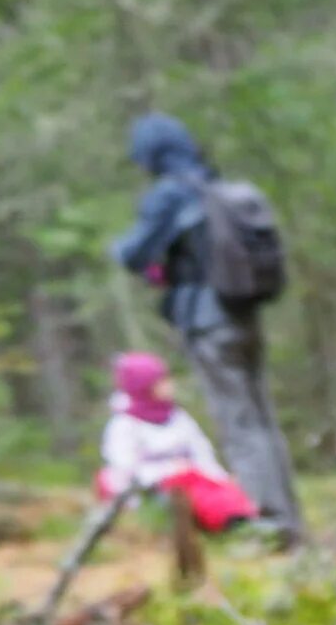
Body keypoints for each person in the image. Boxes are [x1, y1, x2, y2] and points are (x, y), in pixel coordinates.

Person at [112, 112, 303, 543]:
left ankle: (271, 528)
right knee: (261, 421)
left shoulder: (169, 195)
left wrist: (123, 249)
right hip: (243, 314)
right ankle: (290, 522)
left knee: (240, 426)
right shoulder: (215, 188)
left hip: (207, 321)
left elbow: (134, 254)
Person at [96, 352, 254, 532]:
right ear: (144, 386)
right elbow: (124, 468)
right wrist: (169, 471)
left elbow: (202, 452)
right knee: (195, 494)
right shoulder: (125, 425)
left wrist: (218, 478)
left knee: (220, 488)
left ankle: (243, 515)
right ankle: (231, 521)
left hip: (193, 477)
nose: (169, 385)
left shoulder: (177, 417)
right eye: (161, 382)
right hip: (154, 489)